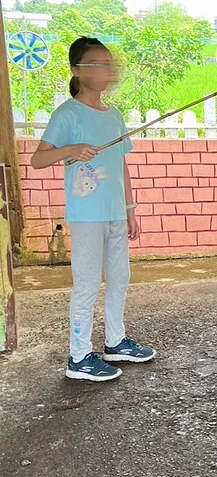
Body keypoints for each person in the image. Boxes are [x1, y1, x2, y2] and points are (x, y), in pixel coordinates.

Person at [31, 37, 155, 382]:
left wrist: (130, 209)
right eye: (96, 64)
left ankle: (115, 342)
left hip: (115, 212)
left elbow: (121, 166)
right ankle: (79, 357)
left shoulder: (114, 116)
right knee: (87, 284)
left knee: (120, 278)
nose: (106, 70)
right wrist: (70, 149)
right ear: (76, 71)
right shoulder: (67, 114)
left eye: (108, 64)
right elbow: (38, 159)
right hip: (86, 216)